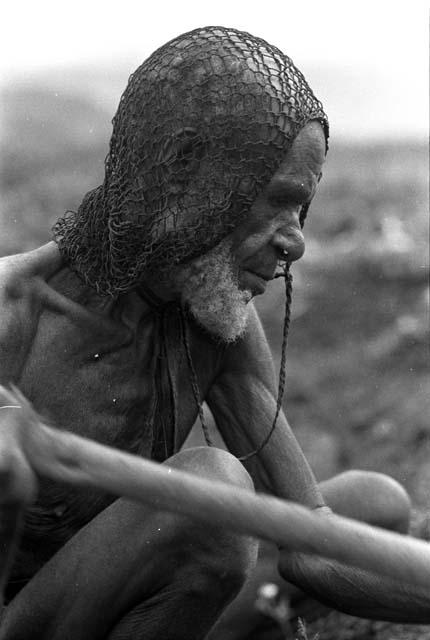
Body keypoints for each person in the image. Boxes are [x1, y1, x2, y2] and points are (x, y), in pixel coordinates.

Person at [0, 26, 427, 640]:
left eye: (299, 209)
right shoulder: (16, 311)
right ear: (183, 178)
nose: (296, 241)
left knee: (374, 503)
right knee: (215, 492)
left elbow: (316, 545)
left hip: (123, 592)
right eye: (277, 201)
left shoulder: (213, 321)